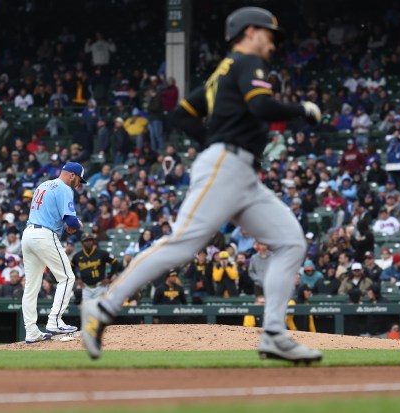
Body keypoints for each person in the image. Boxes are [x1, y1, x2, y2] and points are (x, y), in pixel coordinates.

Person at [82, 7, 322, 363]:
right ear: (251, 31)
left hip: (241, 173)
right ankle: (102, 306)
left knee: (290, 242)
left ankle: (273, 333)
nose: (273, 43)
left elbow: (181, 114)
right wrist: (301, 108)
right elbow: (261, 106)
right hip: (226, 165)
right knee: (181, 244)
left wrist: (213, 137)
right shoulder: (247, 62)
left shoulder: (223, 71)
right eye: (270, 35)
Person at [21, 162, 86, 344]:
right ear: (72, 175)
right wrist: (76, 225)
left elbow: (52, 215)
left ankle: (31, 332)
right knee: (67, 277)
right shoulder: (65, 188)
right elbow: (72, 222)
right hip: (44, 235)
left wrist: (67, 226)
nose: (79, 184)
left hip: (28, 234)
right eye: (79, 179)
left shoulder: (44, 184)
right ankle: (54, 321)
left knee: (31, 287)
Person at [71, 232, 121, 302]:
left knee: (100, 309)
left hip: (100, 286)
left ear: (93, 241)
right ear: (82, 243)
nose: (88, 242)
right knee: (86, 309)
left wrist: (109, 278)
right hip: (85, 287)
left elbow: (115, 262)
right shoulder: (77, 256)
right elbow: (70, 267)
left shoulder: (102, 253)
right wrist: (77, 278)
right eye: (85, 241)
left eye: (90, 240)